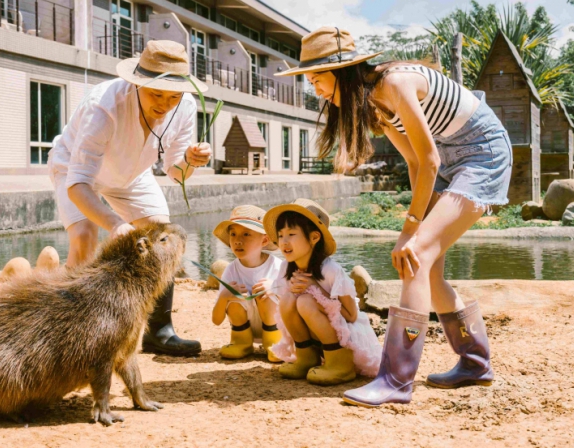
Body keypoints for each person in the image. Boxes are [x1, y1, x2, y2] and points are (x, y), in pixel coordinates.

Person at [276, 27, 512, 406]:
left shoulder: (395, 84)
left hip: (482, 155)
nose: (315, 90)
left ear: (341, 72)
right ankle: (475, 362)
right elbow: (416, 163)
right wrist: (415, 224)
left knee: (414, 257)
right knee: (427, 268)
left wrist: (410, 231)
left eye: (317, 79)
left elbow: (430, 160)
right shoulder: (374, 103)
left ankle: (396, 380)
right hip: (449, 160)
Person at [47, 40, 212, 357]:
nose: (165, 104)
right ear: (138, 83)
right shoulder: (103, 106)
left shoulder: (186, 106)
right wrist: (115, 223)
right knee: (84, 235)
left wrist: (191, 160)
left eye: (173, 96)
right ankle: (67, 329)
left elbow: (176, 173)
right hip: (74, 168)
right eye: (156, 94)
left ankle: (158, 331)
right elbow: (78, 184)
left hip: (131, 173)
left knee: (162, 235)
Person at [263, 199, 381, 386]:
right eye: (280, 235)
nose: (284, 242)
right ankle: (306, 358)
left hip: (346, 340)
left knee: (305, 301)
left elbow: (351, 315)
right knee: (288, 299)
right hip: (317, 337)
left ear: (314, 237)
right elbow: (287, 308)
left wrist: (315, 289)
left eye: (291, 234)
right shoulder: (286, 268)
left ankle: (339, 363)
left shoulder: (331, 270)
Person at [211, 205, 284, 361]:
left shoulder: (278, 266)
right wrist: (224, 296)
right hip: (246, 328)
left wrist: (276, 288)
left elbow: (294, 304)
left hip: (276, 327)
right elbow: (216, 320)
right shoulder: (231, 270)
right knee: (234, 295)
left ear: (264, 240)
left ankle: (274, 343)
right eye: (233, 234)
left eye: (246, 234)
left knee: (267, 290)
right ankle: (241, 343)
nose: (238, 241)